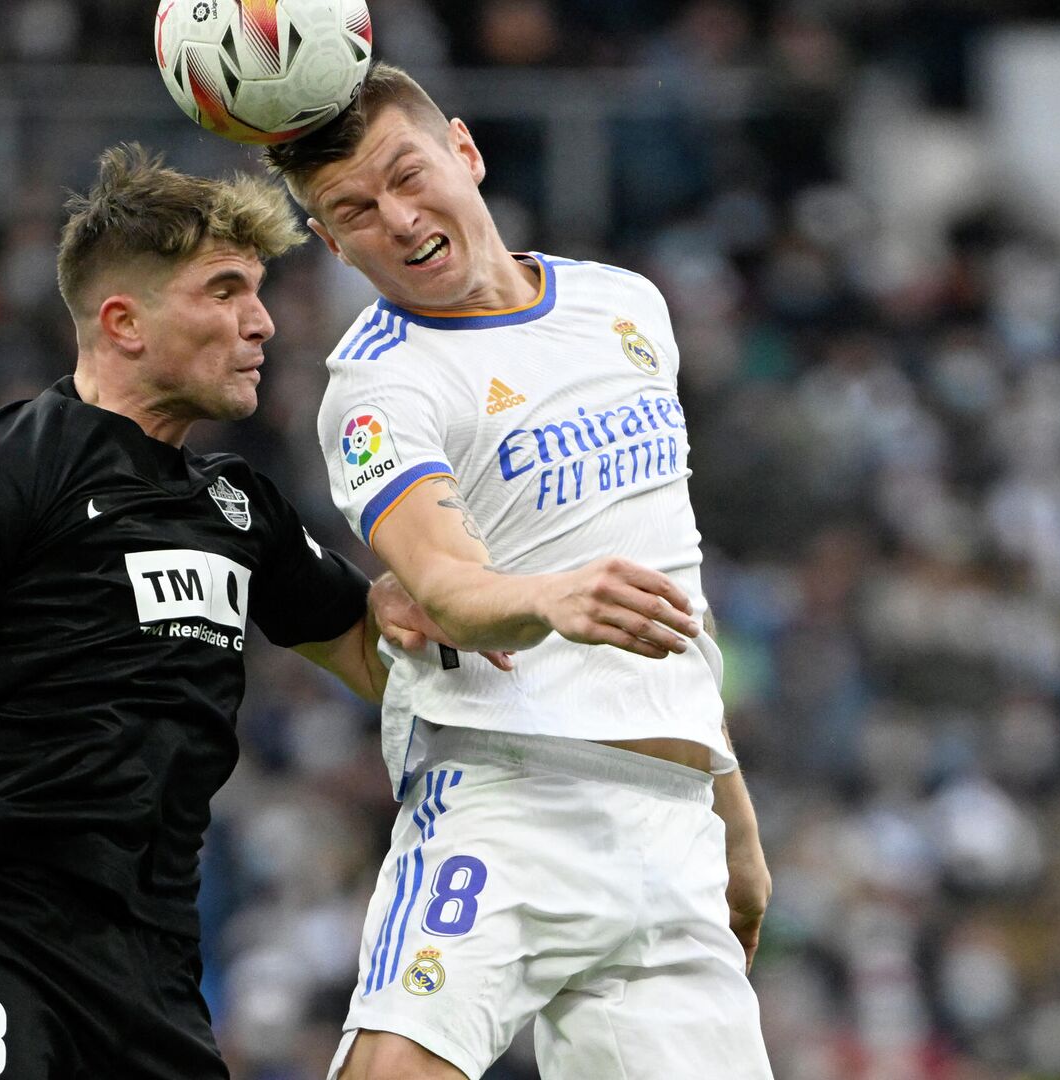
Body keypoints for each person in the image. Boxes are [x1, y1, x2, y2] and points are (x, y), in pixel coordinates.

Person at [0, 144, 442, 1079]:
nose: (263, 323)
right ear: (123, 321)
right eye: (226, 290)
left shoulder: (241, 507)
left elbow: (379, 656)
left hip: (151, 970)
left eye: (259, 291)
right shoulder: (6, 464)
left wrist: (468, 616)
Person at [262, 64, 775, 1079]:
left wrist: (734, 816)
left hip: (672, 830)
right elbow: (445, 586)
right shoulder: (379, 388)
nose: (399, 220)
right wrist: (549, 597)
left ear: (465, 148)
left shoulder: (625, 306)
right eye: (353, 212)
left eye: (409, 175)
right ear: (327, 243)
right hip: (504, 796)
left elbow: (677, 585)